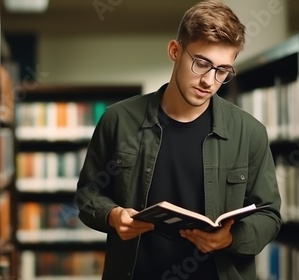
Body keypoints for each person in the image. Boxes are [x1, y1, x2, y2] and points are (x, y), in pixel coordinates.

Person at [75, 1, 282, 279]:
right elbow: (88, 193)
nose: (209, 81)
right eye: (201, 63)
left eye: (222, 71)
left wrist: (230, 239)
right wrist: (113, 215)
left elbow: (269, 215)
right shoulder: (118, 119)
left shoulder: (250, 132)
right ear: (175, 51)